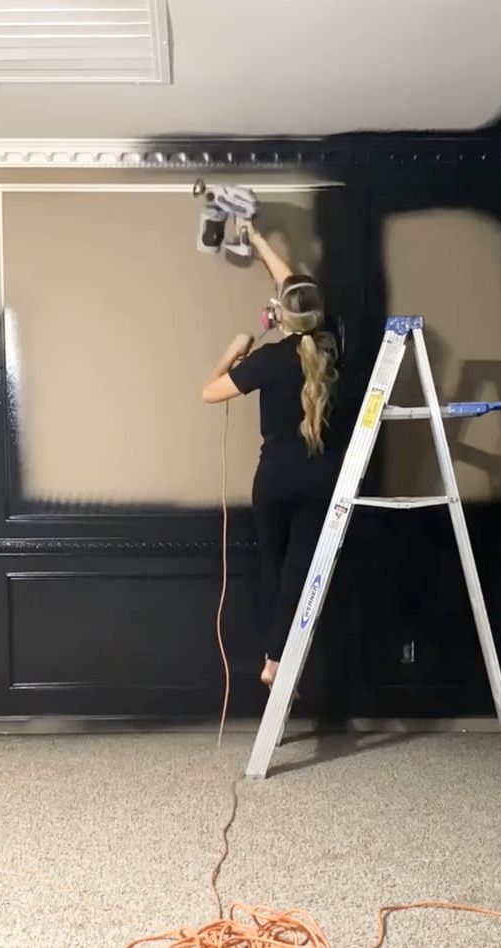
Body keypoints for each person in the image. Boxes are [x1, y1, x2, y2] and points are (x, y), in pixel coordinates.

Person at [202, 219, 347, 691]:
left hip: (275, 480)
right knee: (300, 572)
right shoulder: (332, 348)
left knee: (272, 566)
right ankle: (279, 662)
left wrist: (234, 350)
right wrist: (261, 238)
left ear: (279, 317)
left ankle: (271, 658)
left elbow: (209, 393)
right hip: (322, 477)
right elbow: (296, 291)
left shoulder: (267, 359)